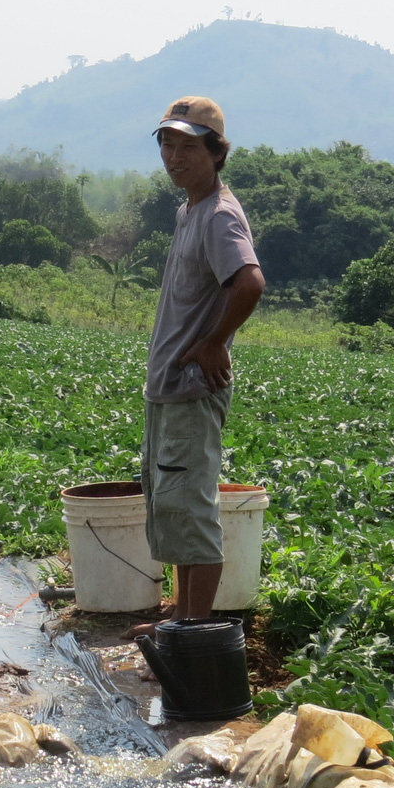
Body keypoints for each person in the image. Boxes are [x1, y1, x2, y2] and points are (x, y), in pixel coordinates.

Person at [139, 96, 265, 631]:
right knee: (172, 505)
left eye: (188, 146)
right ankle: (181, 616)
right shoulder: (189, 209)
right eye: (167, 143)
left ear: (216, 152)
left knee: (191, 510)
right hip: (169, 386)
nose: (174, 155)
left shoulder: (218, 214)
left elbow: (249, 281)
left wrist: (215, 343)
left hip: (193, 387)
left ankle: (192, 632)